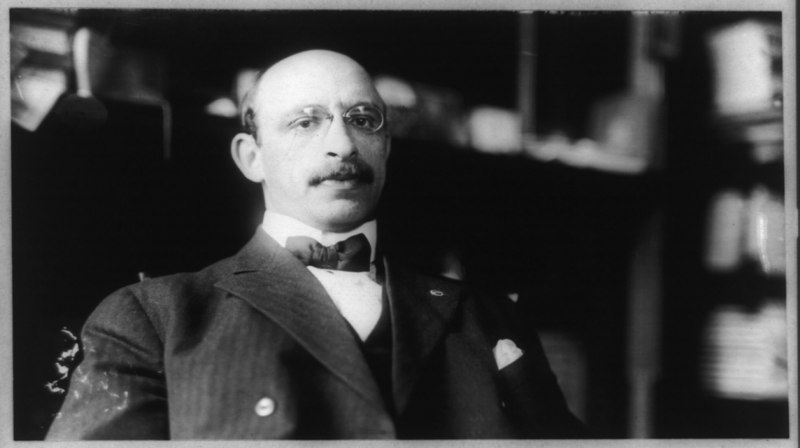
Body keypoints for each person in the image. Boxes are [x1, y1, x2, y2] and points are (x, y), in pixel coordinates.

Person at [46, 49, 586, 440]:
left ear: (386, 147)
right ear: (250, 157)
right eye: (306, 122)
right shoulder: (151, 320)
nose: (343, 144)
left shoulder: (488, 316)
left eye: (362, 119)